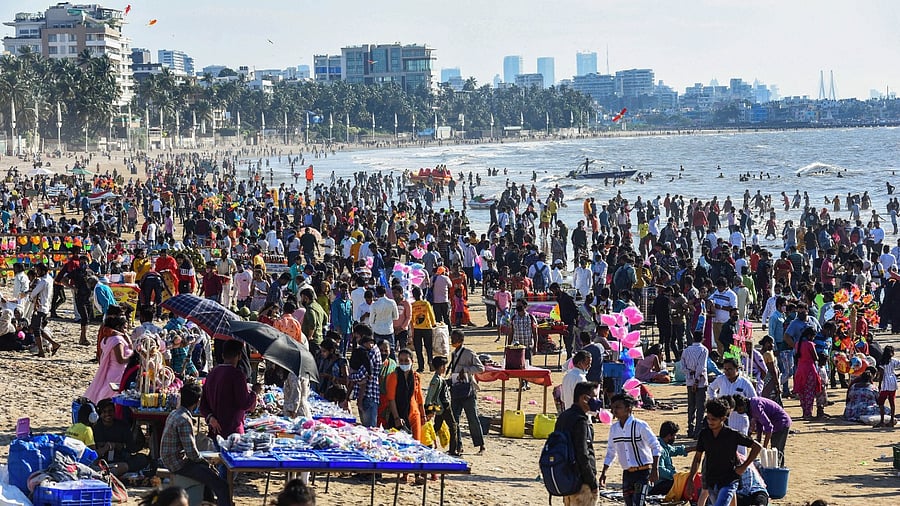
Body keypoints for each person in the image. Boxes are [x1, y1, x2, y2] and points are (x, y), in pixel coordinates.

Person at [160, 381, 230, 506]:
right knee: (222, 486)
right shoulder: (184, 419)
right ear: (197, 401)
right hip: (178, 464)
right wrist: (206, 463)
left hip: (172, 459)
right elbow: (192, 453)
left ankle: (208, 501)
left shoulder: (174, 413)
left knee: (209, 477)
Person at [686, 398, 763, 506]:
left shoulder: (732, 435)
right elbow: (697, 458)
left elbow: (757, 447)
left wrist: (743, 467)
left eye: (713, 419)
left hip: (729, 479)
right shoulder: (704, 434)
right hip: (711, 480)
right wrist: (691, 479)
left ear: (723, 418)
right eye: (708, 418)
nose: (710, 422)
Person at [599, 393, 661, 506]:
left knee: (638, 503)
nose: (614, 410)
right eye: (613, 407)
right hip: (627, 473)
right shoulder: (614, 429)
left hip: (643, 472)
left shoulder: (640, 425)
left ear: (628, 408)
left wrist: (655, 469)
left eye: (618, 407)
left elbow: (655, 446)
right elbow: (611, 452)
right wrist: (604, 472)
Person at [200, 339, 260, 439]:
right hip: (233, 432)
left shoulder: (212, 373)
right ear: (240, 356)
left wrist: (210, 418)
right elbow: (244, 403)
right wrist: (254, 392)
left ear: (223, 355)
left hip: (214, 431)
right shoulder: (237, 375)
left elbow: (203, 404)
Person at [556, 381, 601, 505]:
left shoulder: (563, 416)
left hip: (567, 479)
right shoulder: (581, 421)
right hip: (581, 483)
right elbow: (582, 454)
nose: (597, 400)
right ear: (584, 399)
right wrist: (592, 483)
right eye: (594, 397)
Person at [449, 329, 485, 454]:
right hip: (456, 389)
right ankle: (458, 445)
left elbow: (481, 368)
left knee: (472, 418)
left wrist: (466, 369)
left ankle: (481, 445)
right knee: (454, 419)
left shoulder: (469, 353)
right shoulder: (454, 354)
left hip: (468, 390)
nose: (452, 341)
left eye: (454, 339)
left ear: (461, 340)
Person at [84, 312, 133, 403]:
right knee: (111, 395)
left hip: (111, 371)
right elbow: (120, 359)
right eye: (125, 328)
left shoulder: (107, 339)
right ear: (118, 327)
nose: (127, 330)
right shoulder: (117, 340)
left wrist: (126, 337)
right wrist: (134, 359)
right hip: (118, 373)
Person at [731, 394, 791, 467]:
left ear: (743, 405)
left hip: (781, 423)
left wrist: (764, 447)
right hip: (775, 423)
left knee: (776, 450)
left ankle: (778, 471)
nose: (739, 412)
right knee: (774, 450)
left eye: (740, 410)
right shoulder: (750, 407)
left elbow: (769, 427)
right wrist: (759, 439)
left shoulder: (755, 406)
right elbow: (759, 423)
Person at [93, 398, 150, 476]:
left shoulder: (122, 426)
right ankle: (109, 471)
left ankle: (114, 470)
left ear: (114, 411)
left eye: (110, 411)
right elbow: (91, 453)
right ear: (100, 413)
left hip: (120, 459)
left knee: (142, 459)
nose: (107, 414)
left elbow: (131, 448)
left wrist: (120, 446)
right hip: (101, 460)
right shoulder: (95, 428)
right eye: (104, 412)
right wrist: (105, 447)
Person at [708, 358, 757, 432]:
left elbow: (754, 400)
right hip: (722, 418)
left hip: (740, 419)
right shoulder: (721, 379)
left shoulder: (745, 383)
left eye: (730, 369)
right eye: (725, 369)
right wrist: (715, 401)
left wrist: (753, 419)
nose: (727, 372)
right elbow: (711, 389)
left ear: (737, 368)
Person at [425, 356, 459, 456]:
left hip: (440, 407)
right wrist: (428, 409)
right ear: (440, 367)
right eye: (444, 366)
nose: (444, 368)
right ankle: (453, 450)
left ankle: (427, 443)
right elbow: (430, 396)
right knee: (453, 427)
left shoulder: (439, 378)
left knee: (437, 427)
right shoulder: (436, 380)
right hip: (443, 407)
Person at [349, 325, 382, 428]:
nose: (356, 340)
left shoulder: (371, 352)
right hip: (363, 396)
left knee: (370, 430)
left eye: (357, 337)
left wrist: (350, 376)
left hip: (369, 395)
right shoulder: (364, 351)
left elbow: (362, 375)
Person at [650, 421, 694, 496]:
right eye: (674, 435)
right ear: (669, 436)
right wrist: (677, 476)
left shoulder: (664, 444)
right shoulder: (659, 450)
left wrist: (695, 448)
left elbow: (677, 450)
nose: (675, 437)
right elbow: (661, 471)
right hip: (659, 485)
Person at [681, 331, 710, 437]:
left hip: (689, 380)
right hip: (700, 382)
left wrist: (690, 374)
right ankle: (697, 431)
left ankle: (690, 429)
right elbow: (701, 367)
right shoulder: (704, 350)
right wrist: (696, 380)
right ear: (702, 338)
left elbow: (682, 367)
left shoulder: (686, 350)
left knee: (691, 406)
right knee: (700, 407)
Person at [792, 327, 822, 419]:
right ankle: (808, 413)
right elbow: (815, 357)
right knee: (810, 392)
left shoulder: (798, 344)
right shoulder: (810, 344)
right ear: (809, 335)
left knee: (802, 392)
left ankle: (804, 411)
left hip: (800, 370)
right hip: (809, 370)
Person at [409, 286, 435, 372]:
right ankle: (430, 362)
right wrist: (433, 323)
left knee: (418, 348)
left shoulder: (412, 305)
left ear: (413, 295)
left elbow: (411, 318)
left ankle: (421, 366)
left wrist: (412, 326)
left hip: (417, 328)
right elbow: (431, 314)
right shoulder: (425, 303)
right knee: (428, 347)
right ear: (421, 293)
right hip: (427, 327)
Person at [550, 282, 579, 360]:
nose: (553, 293)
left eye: (553, 291)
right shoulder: (559, 298)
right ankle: (568, 358)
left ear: (557, 289)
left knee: (569, 342)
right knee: (566, 341)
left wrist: (576, 321)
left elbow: (576, 310)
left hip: (570, 322)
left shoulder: (567, 297)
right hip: (564, 322)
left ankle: (570, 359)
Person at [369, 285, 399, 356]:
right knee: (391, 350)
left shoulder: (374, 304)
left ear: (377, 293)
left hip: (378, 330)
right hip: (389, 330)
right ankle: (393, 365)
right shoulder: (392, 302)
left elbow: (371, 320)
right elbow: (396, 317)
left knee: (378, 351)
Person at [874, 345, 899, 427]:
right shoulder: (894, 361)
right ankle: (891, 420)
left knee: (881, 402)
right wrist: (897, 375)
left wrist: (880, 385)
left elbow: (881, 374)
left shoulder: (882, 362)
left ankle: (882, 421)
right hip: (893, 381)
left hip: (886, 382)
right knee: (892, 402)